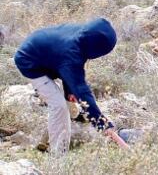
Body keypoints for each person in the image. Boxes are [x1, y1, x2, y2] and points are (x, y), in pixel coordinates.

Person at [13, 18, 129, 153]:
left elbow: (69, 70)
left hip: (46, 53)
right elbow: (82, 90)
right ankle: (58, 156)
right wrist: (102, 124)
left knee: (70, 102)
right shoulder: (71, 53)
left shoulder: (84, 35)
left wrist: (70, 93)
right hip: (29, 62)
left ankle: (52, 135)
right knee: (59, 105)